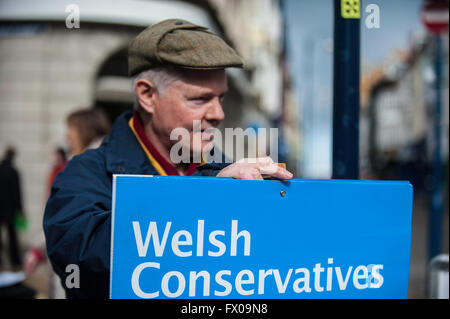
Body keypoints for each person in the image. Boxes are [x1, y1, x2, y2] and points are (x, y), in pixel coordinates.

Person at [43, 19, 293, 299]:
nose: (218, 114)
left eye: (220, 98)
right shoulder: (86, 174)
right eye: (200, 99)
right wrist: (204, 196)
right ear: (148, 95)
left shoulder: (224, 169)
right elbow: (81, 264)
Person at [0, 147, 23, 270]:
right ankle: (15, 262)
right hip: (10, 211)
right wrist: (20, 210)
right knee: (12, 237)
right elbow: (17, 193)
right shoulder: (14, 172)